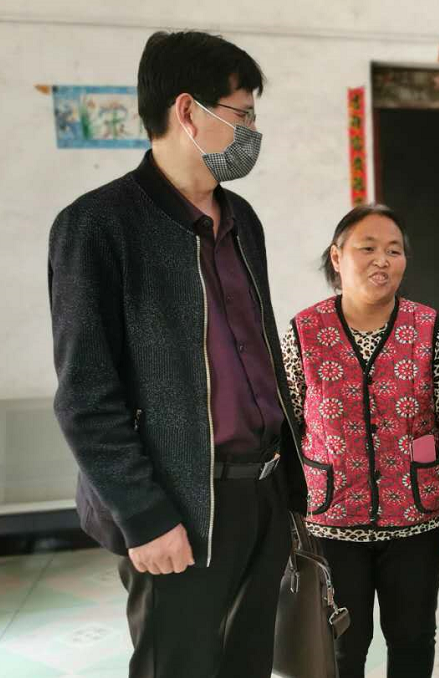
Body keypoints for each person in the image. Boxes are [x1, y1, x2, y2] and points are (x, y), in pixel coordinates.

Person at [48, 30, 306, 678]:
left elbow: (259, 356)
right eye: (243, 114)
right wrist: (144, 516)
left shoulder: (242, 219)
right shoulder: (99, 225)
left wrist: (291, 491)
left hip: (262, 492)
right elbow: (85, 397)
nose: (252, 132)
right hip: (179, 504)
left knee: (250, 662)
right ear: (188, 111)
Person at [282, 204, 439, 678]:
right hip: (331, 520)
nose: (382, 260)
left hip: (415, 519)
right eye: (367, 248)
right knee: (342, 643)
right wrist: (283, 514)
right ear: (337, 257)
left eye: (394, 250)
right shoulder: (304, 332)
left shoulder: (428, 328)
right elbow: (283, 426)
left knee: (412, 638)